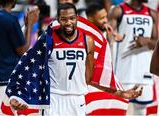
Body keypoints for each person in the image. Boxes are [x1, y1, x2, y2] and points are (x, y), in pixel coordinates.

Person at [8, 3, 142, 116]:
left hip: (78, 101)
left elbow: (89, 79)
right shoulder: (48, 39)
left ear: (77, 18)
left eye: (72, 18)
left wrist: (121, 93)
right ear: (58, 20)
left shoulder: (88, 41)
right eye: (64, 19)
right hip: (54, 100)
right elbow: (29, 65)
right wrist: (16, 95)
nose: (68, 23)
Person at [0, 0, 39, 114]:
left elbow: (9, 40)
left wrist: (26, 25)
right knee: (7, 112)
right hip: (6, 77)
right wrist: (31, 24)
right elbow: (22, 50)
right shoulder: (11, 20)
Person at [108, 0, 157, 115]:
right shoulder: (118, 10)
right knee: (119, 109)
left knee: (141, 110)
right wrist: (113, 37)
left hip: (144, 69)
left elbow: (157, 43)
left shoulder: (152, 13)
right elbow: (107, 36)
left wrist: (147, 41)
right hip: (123, 69)